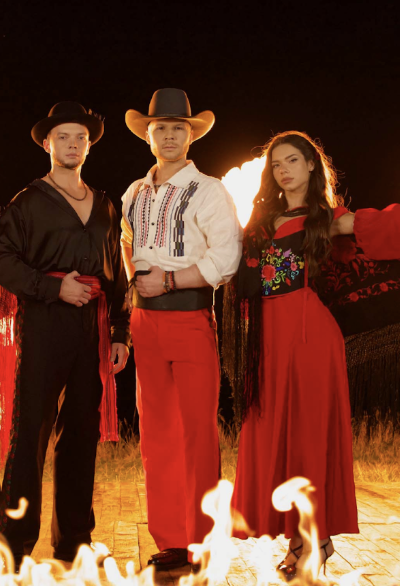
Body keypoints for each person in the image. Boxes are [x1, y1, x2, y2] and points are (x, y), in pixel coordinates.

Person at [223, 130, 400, 577]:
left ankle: (311, 537)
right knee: (277, 434)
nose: (283, 170)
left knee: (308, 436)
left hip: (309, 334)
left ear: (312, 165)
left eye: (292, 160)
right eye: (276, 164)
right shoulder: (261, 219)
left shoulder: (325, 217)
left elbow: (387, 223)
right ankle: (304, 538)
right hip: (268, 338)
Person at [0, 102, 130, 566]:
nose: (72, 144)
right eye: (63, 137)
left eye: (80, 137)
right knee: (30, 433)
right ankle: (13, 545)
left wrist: (120, 330)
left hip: (92, 328)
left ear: (89, 145)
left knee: (82, 433)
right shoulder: (28, 201)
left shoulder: (105, 204)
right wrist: (53, 288)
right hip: (45, 322)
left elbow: (117, 271)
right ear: (47, 144)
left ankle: (74, 541)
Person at [119, 88, 243, 570]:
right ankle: (172, 539)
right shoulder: (134, 192)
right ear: (147, 135)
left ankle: (203, 541)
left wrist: (168, 279)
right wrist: (136, 283)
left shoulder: (209, 189)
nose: (169, 136)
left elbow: (226, 257)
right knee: (157, 433)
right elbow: (126, 242)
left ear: (191, 136)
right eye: (160, 128)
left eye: (178, 128)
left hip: (190, 317)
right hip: (144, 321)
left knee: (197, 432)